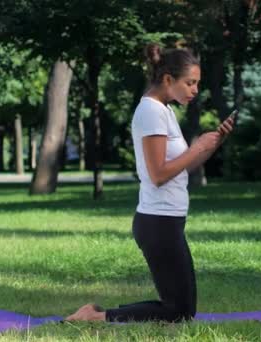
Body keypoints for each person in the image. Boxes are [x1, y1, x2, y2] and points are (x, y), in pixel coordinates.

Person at [66, 43, 234, 323]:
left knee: (181, 310)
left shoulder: (164, 110)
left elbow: (182, 168)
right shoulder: (151, 112)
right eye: (190, 83)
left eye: (197, 84)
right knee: (178, 313)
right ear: (168, 80)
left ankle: (99, 314)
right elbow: (158, 174)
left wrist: (212, 144)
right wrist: (196, 147)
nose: (195, 90)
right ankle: (93, 318)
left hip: (168, 221)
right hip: (158, 222)